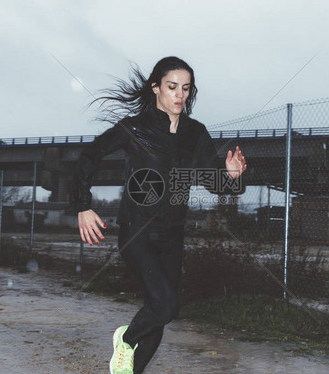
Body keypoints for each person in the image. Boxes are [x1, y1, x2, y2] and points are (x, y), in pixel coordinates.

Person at [73, 56, 247, 374]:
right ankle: (126, 338)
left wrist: (232, 177)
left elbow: (212, 182)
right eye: (171, 87)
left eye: (185, 88)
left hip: (172, 234)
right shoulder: (135, 128)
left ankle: (129, 368)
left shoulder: (196, 133)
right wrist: (83, 205)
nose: (179, 95)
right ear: (156, 88)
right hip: (137, 231)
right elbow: (89, 155)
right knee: (166, 304)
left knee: (159, 310)